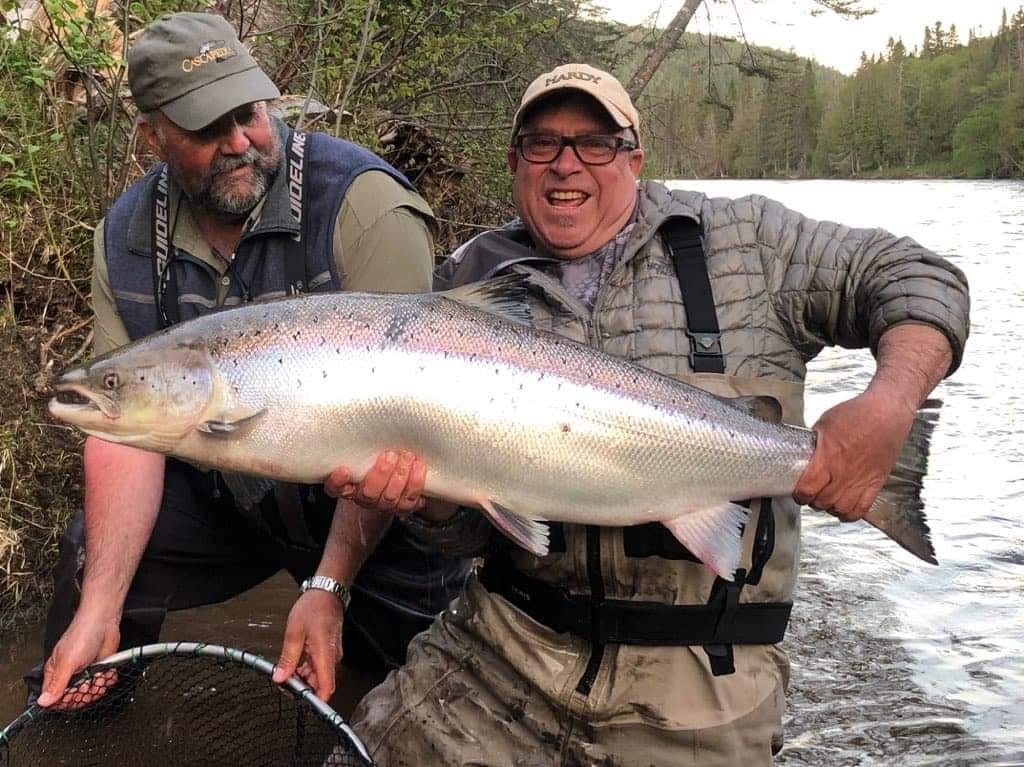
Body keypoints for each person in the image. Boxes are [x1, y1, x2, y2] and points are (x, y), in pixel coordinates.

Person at [320, 64, 971, 765]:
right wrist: (429, 505)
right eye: (541, 143)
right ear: (514, 163)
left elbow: (920, 276)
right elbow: (474, 531)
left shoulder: (748, 241)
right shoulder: (470, 280)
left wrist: (890, 402)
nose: (566, 163)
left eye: (595, 142)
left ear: (635, 156)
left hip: (698, 680)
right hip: (499, 650)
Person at [29, 11, 466, 709]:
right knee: (90, 567)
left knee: (414, 690)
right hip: (229, 491)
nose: (239, 142)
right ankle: (86, 709)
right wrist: (99, 607)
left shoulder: (365, 205)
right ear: (153, 136)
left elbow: (405, 425)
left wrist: (328, 585)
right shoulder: (123, 236)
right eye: (207, 128)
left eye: (251, 114)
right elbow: (121, 433)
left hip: (374, 499)